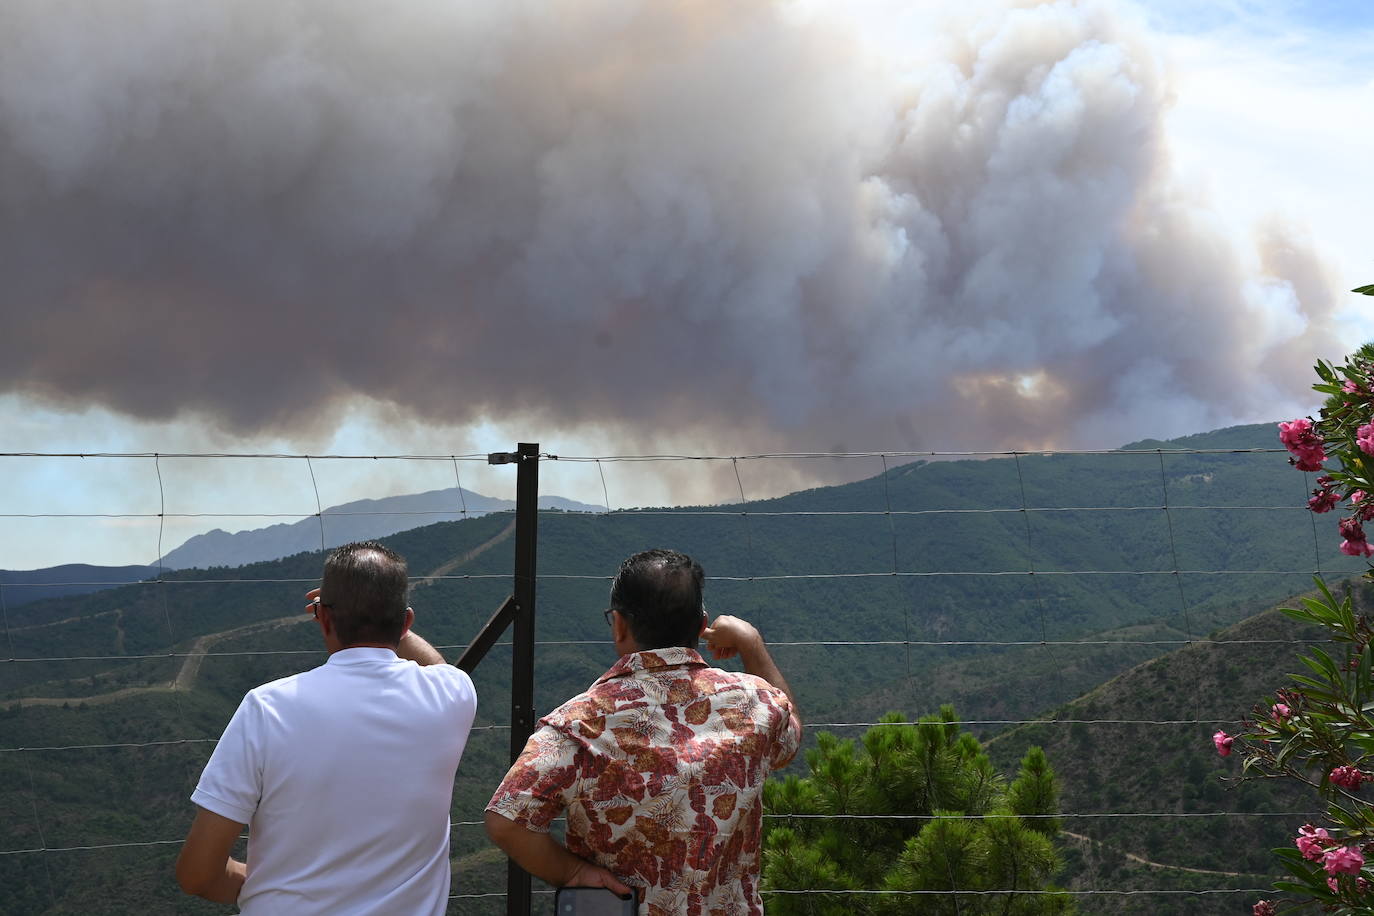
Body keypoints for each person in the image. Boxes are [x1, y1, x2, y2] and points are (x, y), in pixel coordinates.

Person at [485, 548, 802, 914]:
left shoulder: (579, 724)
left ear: (619, 624)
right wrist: (751, 644)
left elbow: (506, 820)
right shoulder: (755, 703)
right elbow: (788, 740)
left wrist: (572, 872)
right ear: (701, 626)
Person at [175, 540, 478, 914]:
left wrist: (270, 886)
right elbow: (438, 668)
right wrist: (385, 614)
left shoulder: (266, 708)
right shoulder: (453, 697)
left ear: (323, 618)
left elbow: (197, 875)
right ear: (406, 623)